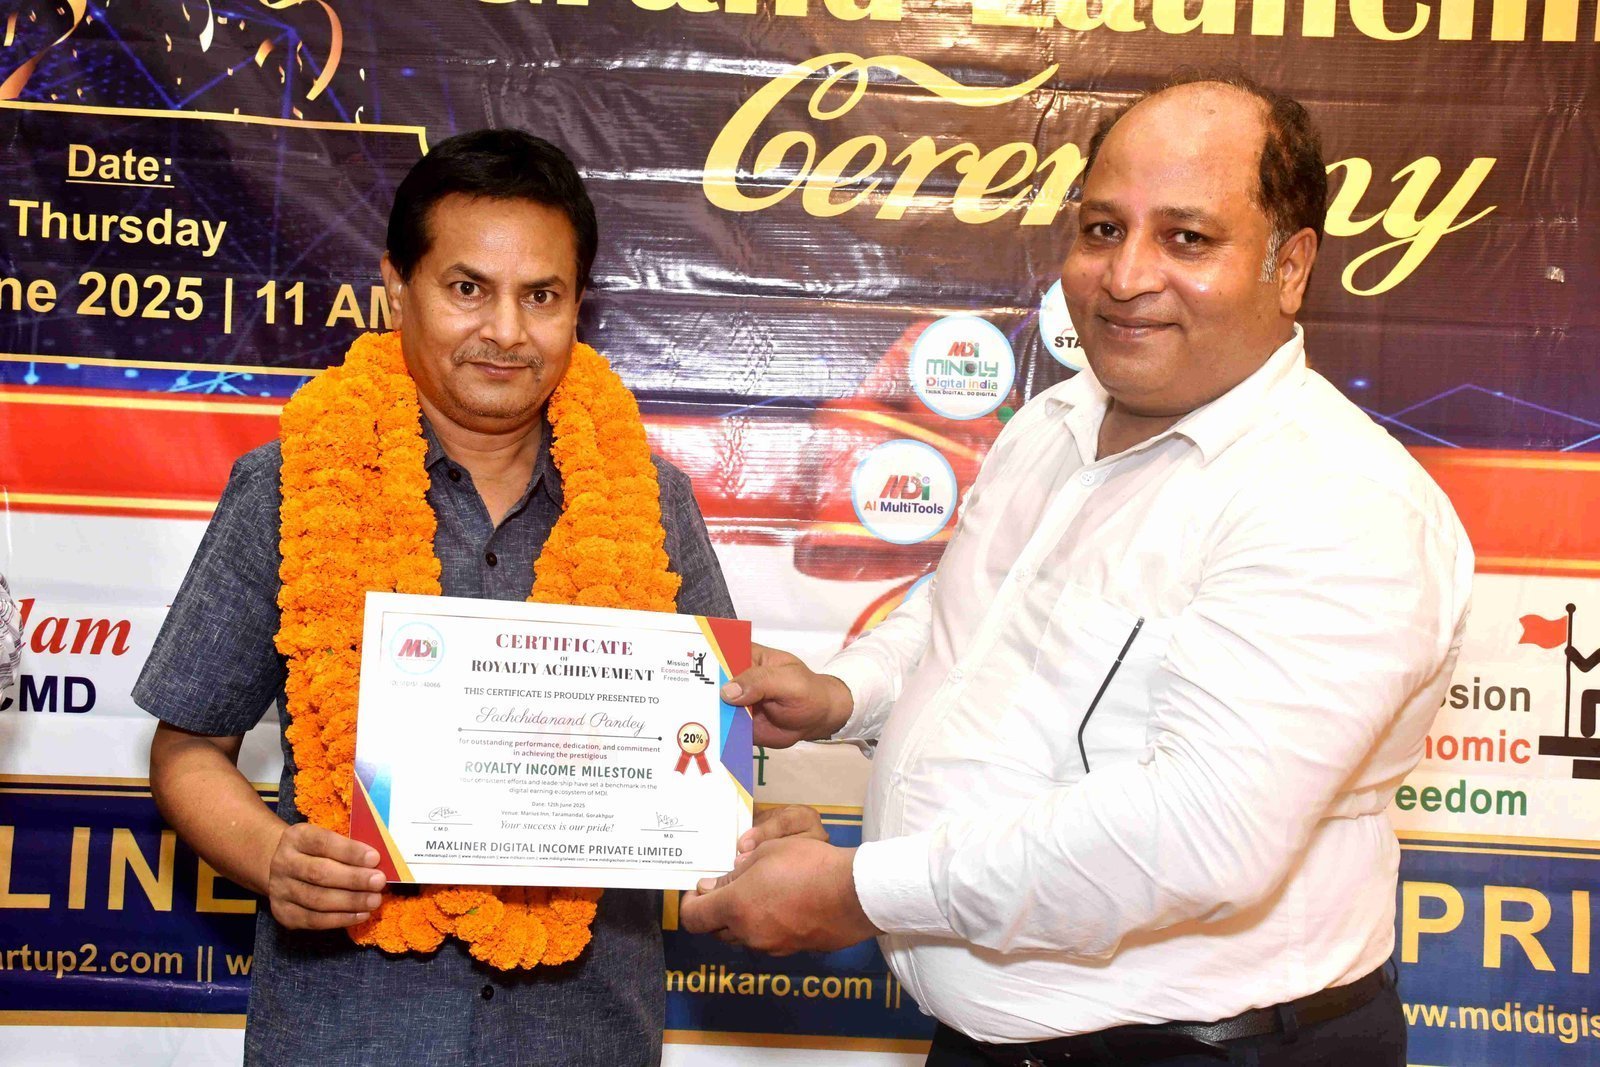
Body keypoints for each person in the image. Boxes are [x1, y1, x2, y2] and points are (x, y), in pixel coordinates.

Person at [682, 72, 1474, 1066]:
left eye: (1187, 238)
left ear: (1290, 265)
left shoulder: (1337, 500)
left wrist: (856, 890)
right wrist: (845, 694)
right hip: (988, 1041)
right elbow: (964, 619)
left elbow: (1198, 833)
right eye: (1103, 229)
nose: (1127, 274)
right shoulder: (1053, 423)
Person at [136, 129, 738, 1065]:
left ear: (578, 306)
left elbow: (710, 753)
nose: (506, 330)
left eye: (541, 295)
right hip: (353, 1026)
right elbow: (186, 748)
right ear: (397, 288)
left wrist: (740, 816)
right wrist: (271, 856)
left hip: (582, 1029)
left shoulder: (652, 506)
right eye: (468, 288)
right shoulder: (291, 483)